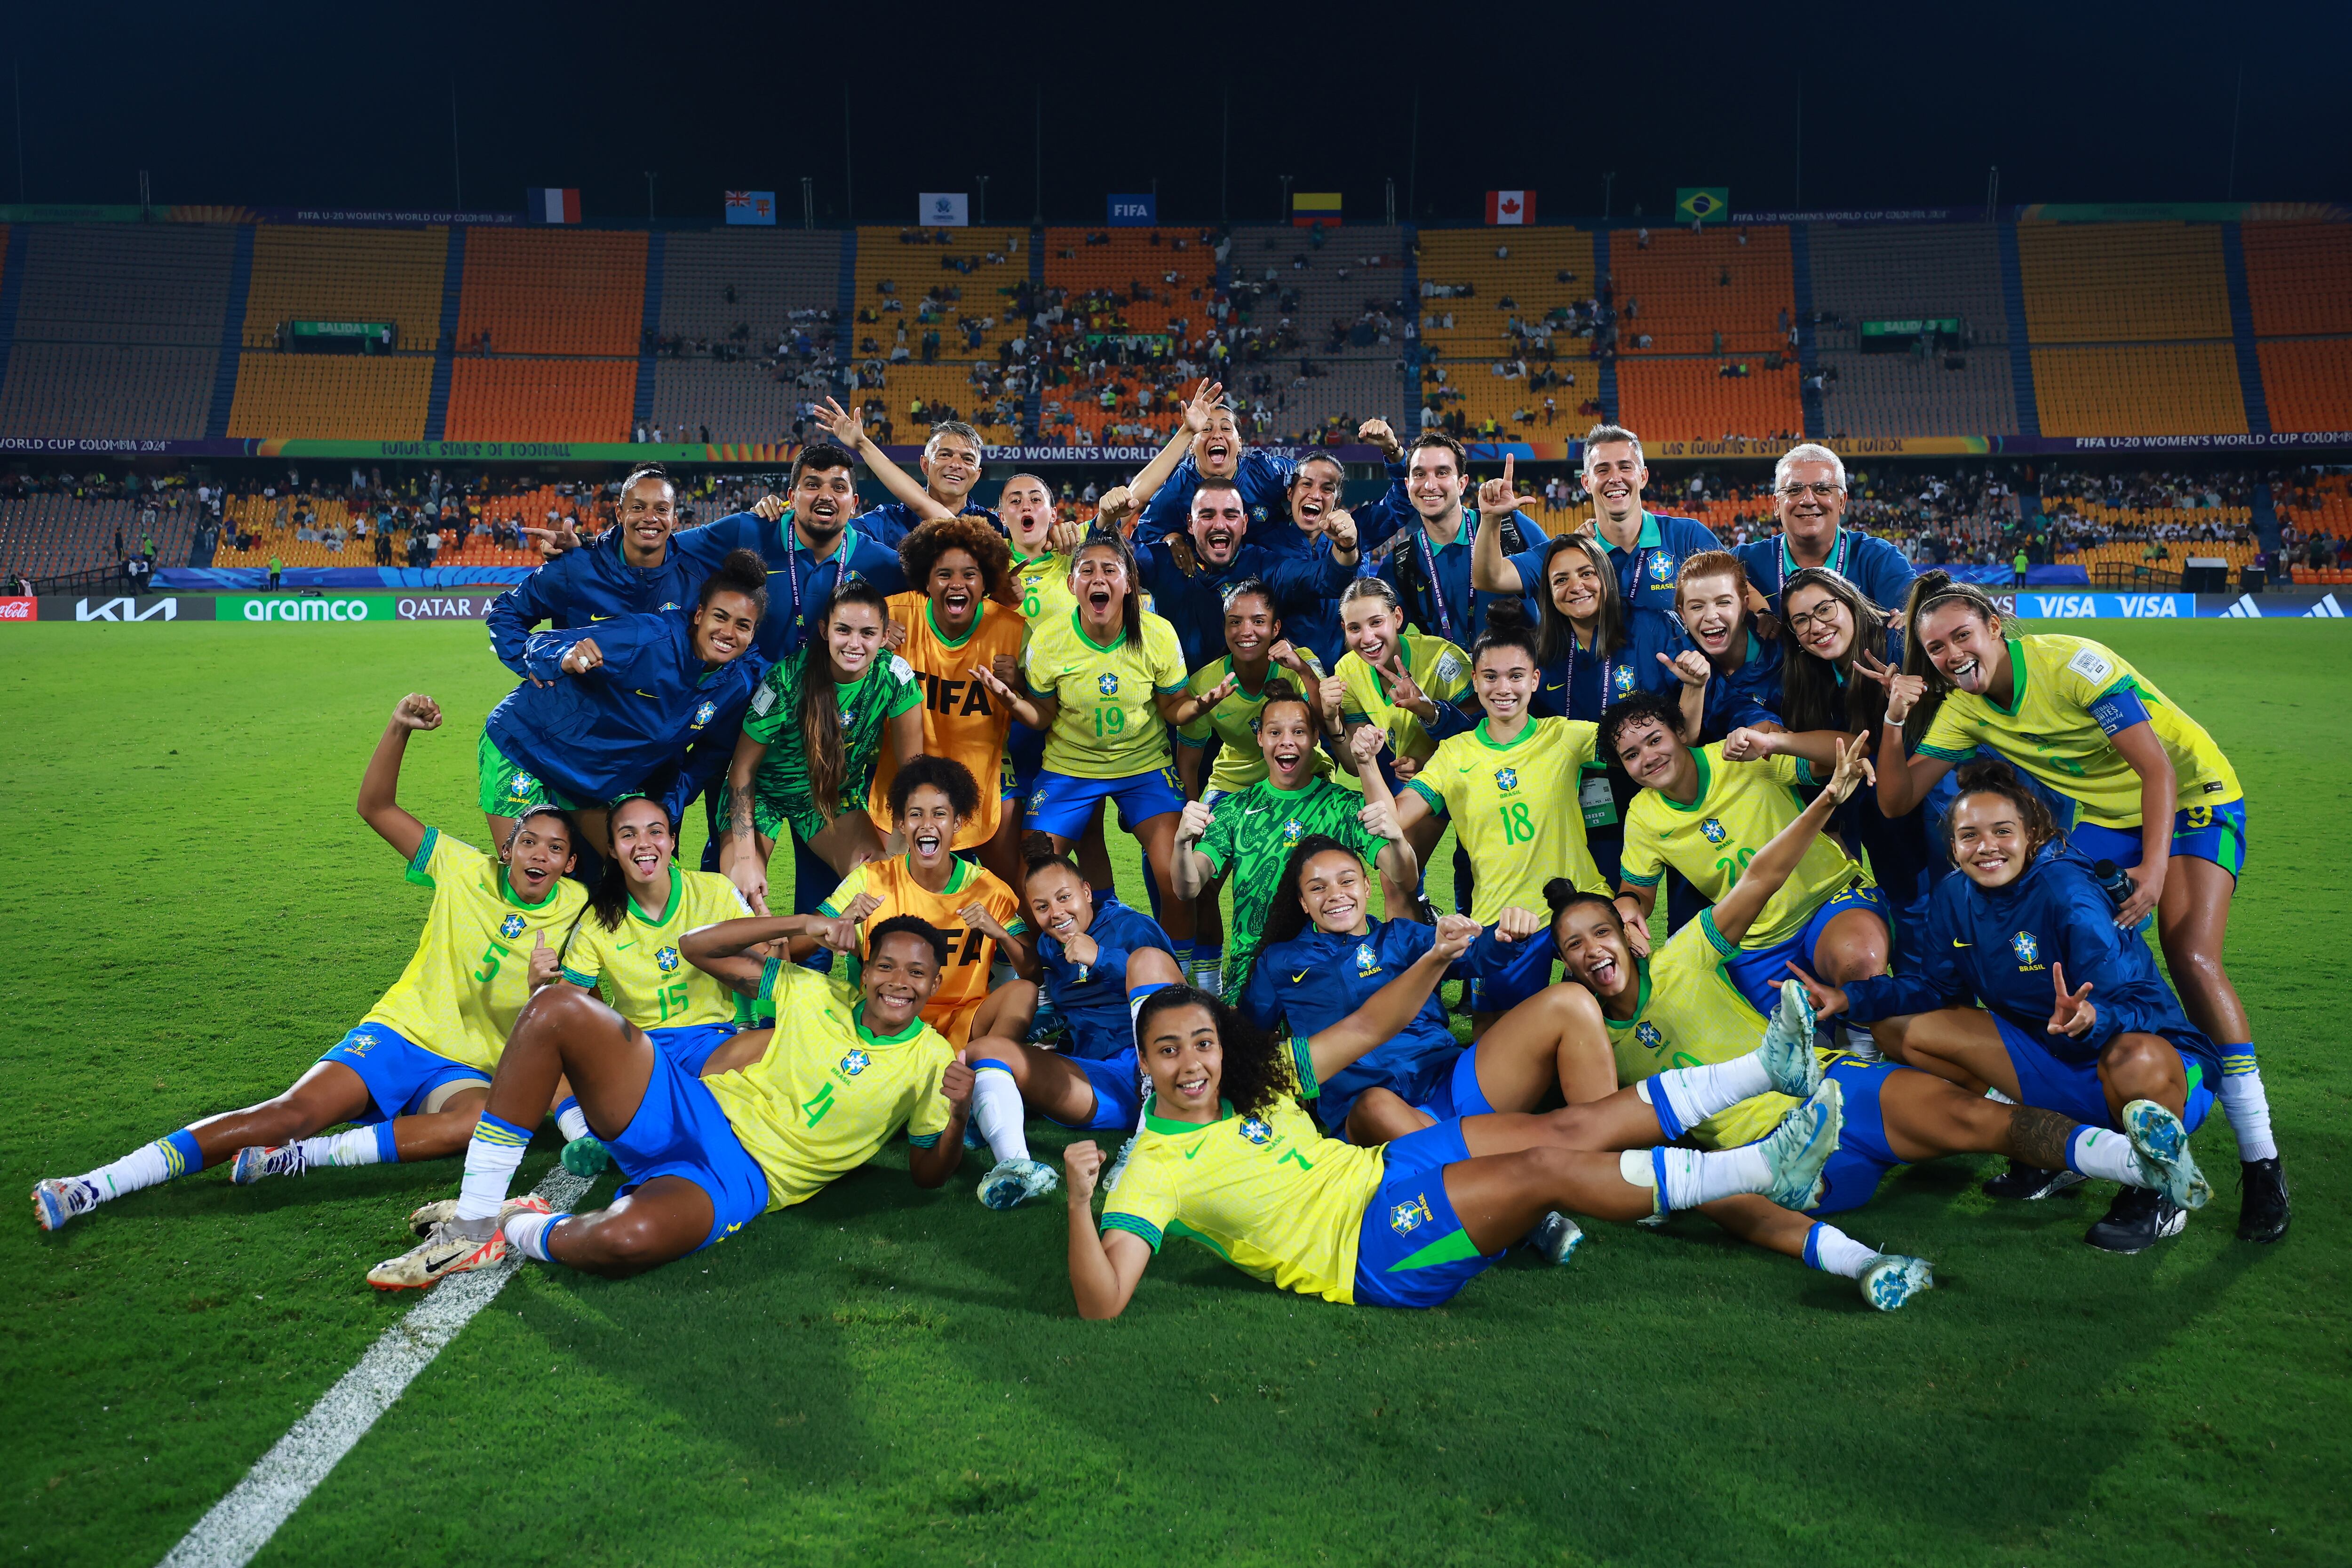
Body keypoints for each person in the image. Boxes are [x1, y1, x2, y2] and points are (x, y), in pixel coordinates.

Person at [1550, 737, 2210, 1300]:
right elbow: (1931, 987)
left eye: (1601, 932)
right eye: (1574, 947)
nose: (1592, 952)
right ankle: (1863, 1264)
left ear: (1630, 930)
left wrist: (1827, 801)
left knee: (1979, 1121)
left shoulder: (1686, 955)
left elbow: (1758, 876)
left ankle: (2145, 1167)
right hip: (1774, 1165)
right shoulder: (1597, 1046)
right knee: (1718, 1195)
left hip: (1844, 1094)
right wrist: (1852, 1003)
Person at [33, 696, 587, 1230]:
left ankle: (300, 1158)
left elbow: (578, 1019)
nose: (540, 854)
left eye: (555, 848)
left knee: (477, 1121)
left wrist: (547, 989)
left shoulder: (579, 914)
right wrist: (398, 728)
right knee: (288, 1116)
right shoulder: (461, 867)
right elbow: (375, 808)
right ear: (507, 848)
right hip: (403, 1033)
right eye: (529, 841)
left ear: (570, 863)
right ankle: (91, 1186)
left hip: (467, 1068)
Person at [1865, 573, 2286, 1242]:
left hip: (2192, 795)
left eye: (1962, 637)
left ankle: (2260, 1158)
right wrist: (1893, 715)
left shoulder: (2073, 665)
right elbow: (1894, 800)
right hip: (2109, 820)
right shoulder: (1965, 708)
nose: (1951, 655)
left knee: (2191, 955)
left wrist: (2151, 869)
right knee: (2054, 942)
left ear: (1994, 628)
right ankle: (2071, 1141)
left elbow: (2159, 771)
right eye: (1937, 648)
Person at [1061, 962, 1846, 1316]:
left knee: (1560, 1125)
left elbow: (1370, 1024)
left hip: (1384, 1166)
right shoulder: (1152, 1169)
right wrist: (1077, 1200)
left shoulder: (1257, 1076)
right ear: (1145, 1061)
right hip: (1369, 1252)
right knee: (1544, 1167)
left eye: (1202, 1041)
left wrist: (1437, 956)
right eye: (1169, 1049)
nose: (1191, 1062)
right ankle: (1758, 1169)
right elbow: (1104, 1304)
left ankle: (1760, 1067)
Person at [363, 915, 971, 1288]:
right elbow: (697, 946)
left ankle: (513, 1224)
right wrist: (802, 923)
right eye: (886, 966)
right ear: (863, 973)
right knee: (555, 1008)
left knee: (623, 1244)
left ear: (934, 984)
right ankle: (471, 1223)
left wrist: (960, 1112)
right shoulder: (811, 991)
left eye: (917, 974)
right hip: (691, 1108)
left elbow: (927, 1175)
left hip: (745, 1178)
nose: (899, 981)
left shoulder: (934, 1062)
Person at [1791, 759, 2230, 1254]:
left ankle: (2155, 1189)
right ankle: (2049, 1146)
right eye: (1968, 836)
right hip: (2048, 1052)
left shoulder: (2069, 895)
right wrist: (1849, 997)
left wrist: (2093, 1018)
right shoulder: (1953, 895)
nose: (1986, 847)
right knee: (1898, 1029)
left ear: (2032, 835)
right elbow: (1933, 988)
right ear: (1952, 847)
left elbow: (2145, 1003)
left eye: (2002, 831)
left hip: (2155, 1067)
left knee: (2134, 1059)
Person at [976, 533, 1228, 973]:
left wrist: (1200, 705)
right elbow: (1042, 715)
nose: (1099, 578)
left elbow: (1173, 708)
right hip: (1069, 768)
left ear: (1128, 582)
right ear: (1072, 584)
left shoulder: (1156, 633)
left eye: (1110, 569)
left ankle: (1175, 976)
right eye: (1087, 571)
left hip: (1144, 766)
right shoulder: (1051, 638)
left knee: (1177, 877)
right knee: (1033, 876)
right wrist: (1013, 702)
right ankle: (1050, 980)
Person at [1243, 846, 1618, 1142]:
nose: (1336, 895)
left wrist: (1503, 938)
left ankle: (1609, 1155)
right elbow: (1247, 1040)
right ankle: (1505, 1179)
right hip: (1374, 1116)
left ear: (1367, 887)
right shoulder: (1279, 962)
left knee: (1572, 1001)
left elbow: (1469, 953)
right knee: (1375, 1105)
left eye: (1347, 881)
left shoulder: (1401, 937)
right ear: (1303, 902)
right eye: (1318, 887)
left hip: (1453, 1085)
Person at [1604, 687, 1890, 1018]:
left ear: (1681, 732)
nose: (1648, 757)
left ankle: (1866, 1050)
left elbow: (1854, 752)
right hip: (1756, 942)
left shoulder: (1741, 758)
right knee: (1788, 1051)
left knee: (1859, 965)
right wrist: (1628, 905)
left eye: (1655, 740)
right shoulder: (1642, 815)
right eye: (1631, 755)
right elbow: (1638, 889)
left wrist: (1777, 742)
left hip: (1828, 900)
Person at [480, 550, 768, 867]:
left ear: (753, 634)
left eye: (743, 625)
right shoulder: (648, 638)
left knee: (644, 876)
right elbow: (542, 642)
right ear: (699, 614)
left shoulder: (737, 685)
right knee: (530, 880)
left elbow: (707, 759)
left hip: (596, 779)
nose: (728, 632)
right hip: (524, 746)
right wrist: (564, 656)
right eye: (720, 616)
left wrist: (667, 808)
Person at [1393, 614, 1609, 1027]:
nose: (1503, 688)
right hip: (1502, 923)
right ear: (1475, 681)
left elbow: (1649, 746)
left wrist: (1694, 687)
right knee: (1491, 1047)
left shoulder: (1566, 735)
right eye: (1491, 676)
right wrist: (1367, 762)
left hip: (1578, 907)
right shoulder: (1455, 753)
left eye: (1516, 675)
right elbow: (1401, 814)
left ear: (1534, 680)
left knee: (1598, 1029)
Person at [957, 846, 1185, 1210]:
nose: (1056, 913)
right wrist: (1050, 1049)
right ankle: (1016, 1166)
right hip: (1098, 1081)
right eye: (1042, 906)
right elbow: (1067, 1003)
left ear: (1087, 892)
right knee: (986, 1049)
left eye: (1064, 898)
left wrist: (1101, 957)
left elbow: (1181, 1000)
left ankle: (1149, 1141)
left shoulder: (1133, 925)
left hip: (1161, 1072)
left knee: (1147, 961)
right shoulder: (1050, 945)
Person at [540, 794, 756, 1174]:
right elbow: (565, 1011)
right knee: (554, 1055)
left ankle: (647, 1127)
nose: (643, 844)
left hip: (711, 1044)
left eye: (655, 831)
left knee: (781, 1042)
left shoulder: (716, 891)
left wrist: (774, 942)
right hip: (639, 1054)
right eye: (628, 834)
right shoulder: (597, 920)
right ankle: (583, 1135)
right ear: (611, 848)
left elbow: (765, 973)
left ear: (672, 840)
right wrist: (536, 989)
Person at [1173, 687, 1417, 995]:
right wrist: (1182, 843)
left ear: (1316, 736)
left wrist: (1397, 838)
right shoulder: (1234, 809)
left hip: (1333, 970)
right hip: (1255, 975)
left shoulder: (1344, 807)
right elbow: (1188, 888)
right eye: (1275, 732)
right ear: (1260, 737)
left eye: (1299, 731)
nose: (1286, 740)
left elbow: (1404, 877)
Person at [721, 581, 924, 913]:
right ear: (825, 630)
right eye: (843, 630)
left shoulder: (895, 677)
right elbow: (743, 769)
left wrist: (910, 830)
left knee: (881, 895)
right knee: (741, 900)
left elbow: (912, 769)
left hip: (834, 796)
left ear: (885, 637)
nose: (854, 644)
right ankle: (773, 957)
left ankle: (861, 964)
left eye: (868, 633)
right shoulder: (785, 680)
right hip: (764, 796)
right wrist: (745, 858)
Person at [807, 756, 1035, 1049]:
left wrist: (1001, 934)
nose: (927, 825)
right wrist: (840, 922)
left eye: (939, 814)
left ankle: (986, 1071)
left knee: (1024, 993)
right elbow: (797, 949)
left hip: (963, 1020)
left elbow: (1033, 972)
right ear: (901, 824)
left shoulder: (989, 889)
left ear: (958, 822)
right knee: (812, 992)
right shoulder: (870, 880)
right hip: (886, 1016)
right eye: (916, 814)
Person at [1172, 580, 1331, 990]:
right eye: (1235, 621)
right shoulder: (1207, 682)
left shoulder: (1301, 663)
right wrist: (1192, 816)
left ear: (1276, 627)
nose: (1247, 630)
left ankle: (1316, 969)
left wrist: (1300, 669)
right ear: (1223, 628)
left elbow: (1327, 720)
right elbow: (1189, 761)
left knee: (1303, 877)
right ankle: (1209, 983)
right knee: (1203, 881)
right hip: (1233, 782)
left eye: (1259, 621)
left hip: (1302, 775)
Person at [869, 517, 1029, 888]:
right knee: (892, 892)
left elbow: (1044, 710)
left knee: (1013, 890)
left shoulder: (1013, 631)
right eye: (944, 574)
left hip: (984, 777)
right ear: (926, 581)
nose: (957, 584)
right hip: (900, 780)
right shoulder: (892, 618)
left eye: (970, 574)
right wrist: (870, 642)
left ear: (986, 582)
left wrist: (1021, 683)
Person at [671, 443, 907, 664]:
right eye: (813, 485)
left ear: (854, 503)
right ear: (792, 498)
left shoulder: (882, 563)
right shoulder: (748, 530)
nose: (826, 496)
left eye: (838, 488)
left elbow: (937, 594)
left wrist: (882, 625)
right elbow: (668, 546)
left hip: (832, 701)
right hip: (750, 698)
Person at [1472, 423, 1718, 624]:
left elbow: (1736, 591)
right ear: (1586, 483)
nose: (1615, 478)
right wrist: (1492, 519)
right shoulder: (1566, 554)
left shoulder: (1687, 537)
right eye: (1602, 470)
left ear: (1643, 477)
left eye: (1625, 467)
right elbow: (1490, 579)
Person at [491, 465, 722, 676]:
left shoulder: (696, 579)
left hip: (655, 718)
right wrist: (533, 664)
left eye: (661, 510)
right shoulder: (576, 569)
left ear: (675, 519)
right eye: (639, 508)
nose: (650, 518)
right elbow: (507, 612)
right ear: (620, 514)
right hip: (584, 716)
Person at [1365, 436, 1543, 650]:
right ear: (1408, 485)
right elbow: (1382, 640)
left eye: (1442, 473)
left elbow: (1561, 587)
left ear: (1462, 484)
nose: (1430, 485)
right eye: (1419, 475)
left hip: (1522, 679)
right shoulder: (1399, 564)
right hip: (1451, 682)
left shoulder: (1510, 528)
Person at [1733, 445, 1915, 617]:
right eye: (1794, 490)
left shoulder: (1879, 559)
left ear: (1842, 502)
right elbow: (1706, 570)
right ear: (1776, 504)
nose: (1808, 500)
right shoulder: (1743, 562)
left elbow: (1920, 622)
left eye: (1822, 489)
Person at [1663, 550, 1786, 742]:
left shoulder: (1784, 654)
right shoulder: (1674, 658)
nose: (1711, 616)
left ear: (1745, 606)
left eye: (1723, 603)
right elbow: (1682, 746)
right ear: (1683, 614)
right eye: (1697, 607)